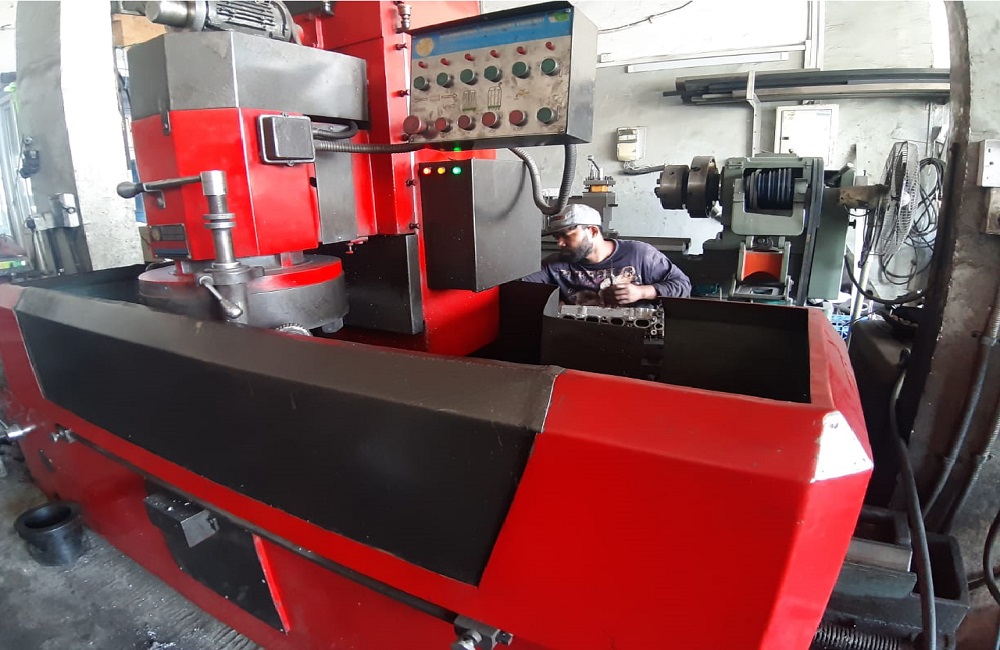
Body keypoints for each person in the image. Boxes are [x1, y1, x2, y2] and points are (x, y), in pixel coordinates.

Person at [523, 203, 691, 307]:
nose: (560, 243)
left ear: (593, 231)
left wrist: (642, 292)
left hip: (636, 337)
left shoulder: (639, 254)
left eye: (566, 236)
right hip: (579, 337)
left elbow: (682, 285)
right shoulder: (554, 265)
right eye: (556, 237)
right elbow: (519, 286)